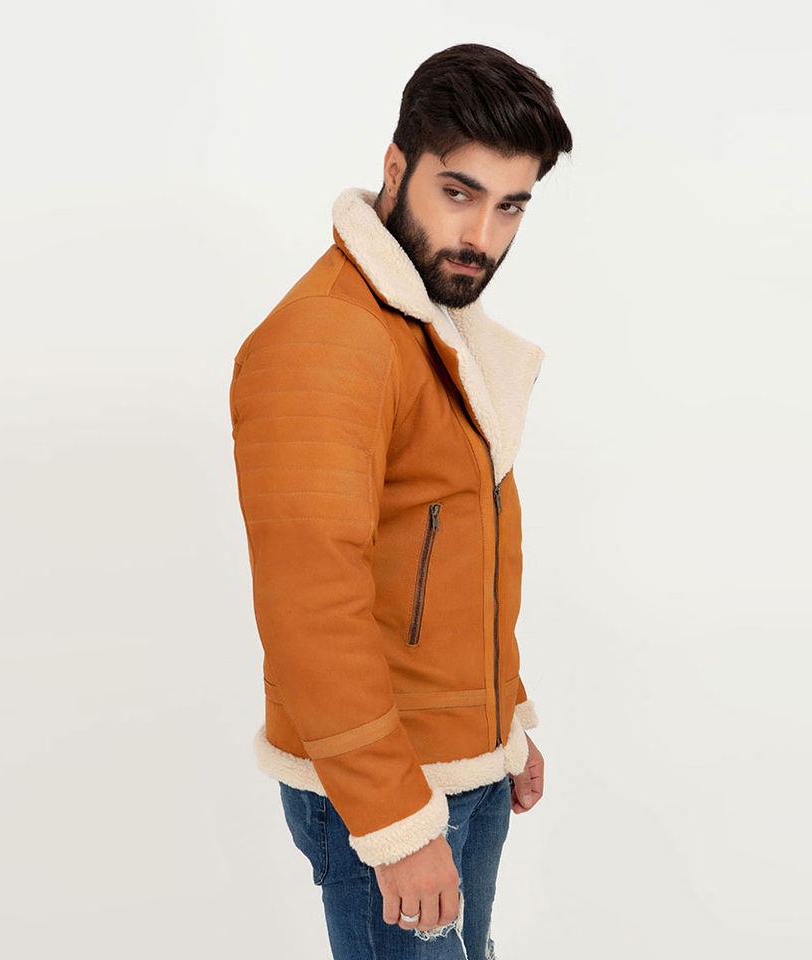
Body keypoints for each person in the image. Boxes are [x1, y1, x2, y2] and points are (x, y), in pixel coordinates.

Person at [229, 42, 572, 959]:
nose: (482, 237)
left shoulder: (429, 322)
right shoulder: (326, 340)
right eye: (458, 193)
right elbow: (310, 608)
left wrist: (503, 719)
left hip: (462, 768)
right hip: (387, 794)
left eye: (510, 206)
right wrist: (394, 824)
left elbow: (448, 550)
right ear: (395, 168)